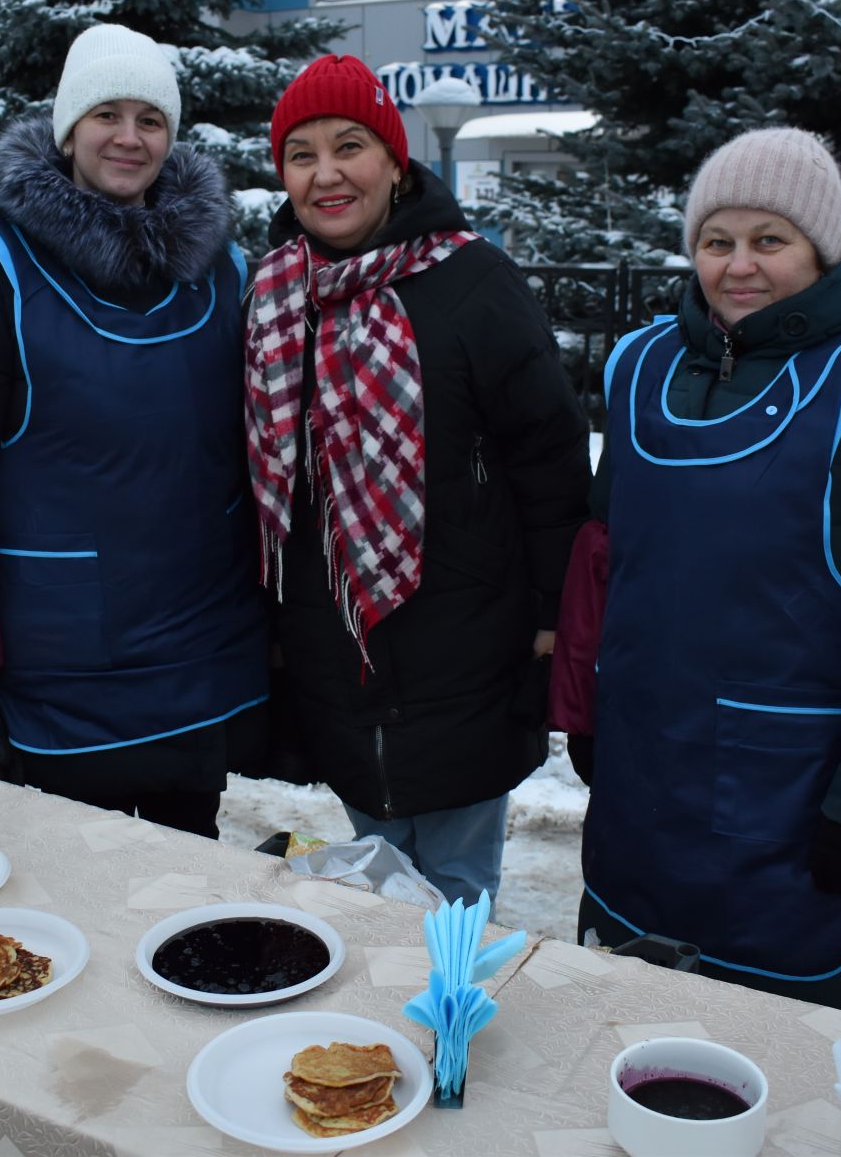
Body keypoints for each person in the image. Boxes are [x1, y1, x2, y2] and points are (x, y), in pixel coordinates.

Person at [575, 127, 841, 1014]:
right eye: (716, 241)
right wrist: (584, 710)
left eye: (771, 240)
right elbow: (602, 561)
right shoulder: (643, 365)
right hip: (639, 792)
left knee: (780, 1069)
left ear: (822, 248)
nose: (739, 267)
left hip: (796, 811)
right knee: (618, 1032)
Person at [0, 23, 267, 838]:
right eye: (107, 114)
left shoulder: (222, 270)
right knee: (64, 879)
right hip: (58, 660)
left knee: (184, 871)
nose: (129, 138)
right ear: (68, 129)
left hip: (194, 647)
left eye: (152, 119)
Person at [245, 54, 591, 906]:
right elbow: (263, 488)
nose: (327, 174)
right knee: (378, 880)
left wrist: (551, 619)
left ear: (396, 162)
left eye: (350, 146)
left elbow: (549, 462)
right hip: (337, 651)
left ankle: (451, 1030)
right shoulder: (273, 294)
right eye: (301, 153)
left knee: (460, 889)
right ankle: (397, 1033)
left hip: (467, 650)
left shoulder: (474, 281)